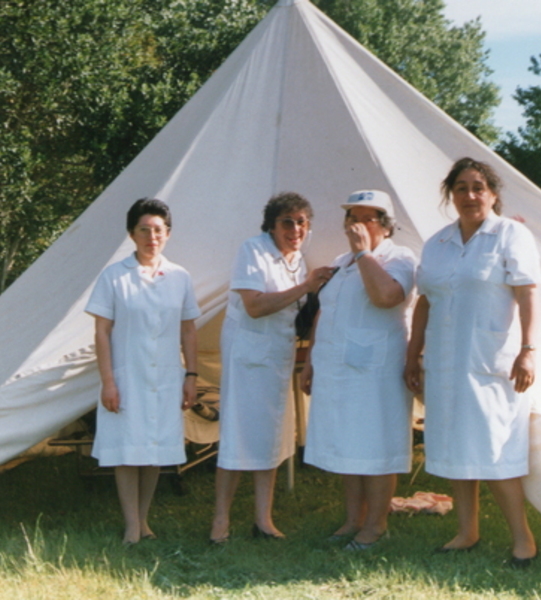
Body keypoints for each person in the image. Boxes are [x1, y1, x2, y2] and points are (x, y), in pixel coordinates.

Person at [404, 158, 541, 567]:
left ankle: (523, 539)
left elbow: (528, 292)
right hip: (444, 361)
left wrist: (529, 349)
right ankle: (467, 531)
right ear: (451, 195)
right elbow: (425, 302)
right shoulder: (438, 243)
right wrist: (413, 355)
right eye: (461, 188)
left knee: (495, 450)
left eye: (478, 187)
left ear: (493, 194)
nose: (470, 196)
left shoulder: (511, 234)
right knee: (452, 447)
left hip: (490, 360)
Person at [210, 192, 334, 544]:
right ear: (271, 225)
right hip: (247, 353)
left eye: (301, 222)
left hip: (277, 355)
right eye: (287, 222)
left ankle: (263, 520)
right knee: (237, 435)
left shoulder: (298, 258)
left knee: (273, 435)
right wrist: (307, 287)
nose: (295, 229)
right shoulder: (253, 250)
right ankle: (220, 521)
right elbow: (254, 306)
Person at [301, 190, 416, 551]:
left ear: (385, 225)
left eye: (367, 218)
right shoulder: (341, 260)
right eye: (352, 217)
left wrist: (365, 253)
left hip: (376, 370)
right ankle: (352, 519)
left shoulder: (400, 257)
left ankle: (376, 524)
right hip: (337, 366)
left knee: (376, 445)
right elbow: (325, 310)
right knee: (347, 444)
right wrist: (310, 359)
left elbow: (386, 297)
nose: (357, 225)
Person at [85, 198, 200, 545]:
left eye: (158, 230)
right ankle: (131, 526)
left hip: (166, 377)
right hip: (127, 376)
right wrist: (108, 381)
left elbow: (188, 330)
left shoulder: (179, 276)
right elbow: (102, 332)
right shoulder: (114, 276)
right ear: (132, 234)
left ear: (168, 234)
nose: (152, 237)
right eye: (144, 230)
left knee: (154, 450)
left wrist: (191, 376)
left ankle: (145, 521)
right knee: (128, 449)